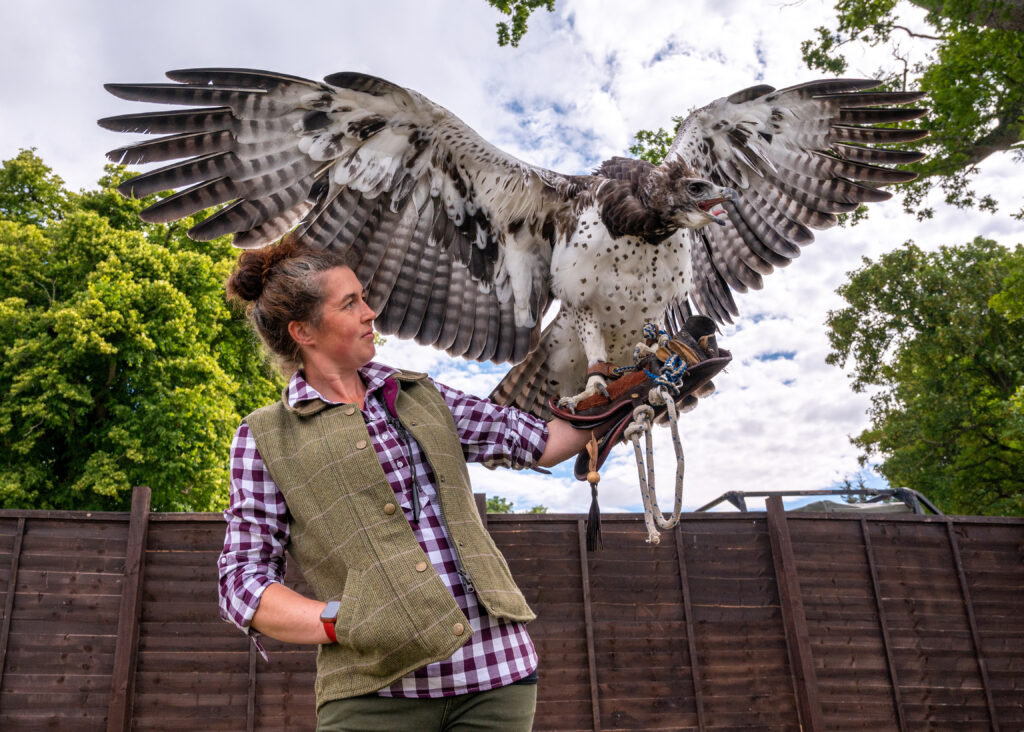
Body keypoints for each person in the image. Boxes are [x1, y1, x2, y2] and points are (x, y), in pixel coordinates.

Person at [217, 235, 598, 731]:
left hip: (496, 676)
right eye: (350, 303)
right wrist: (339, 620)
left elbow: (537, 440)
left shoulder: (419, 394)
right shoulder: (265, 436)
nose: (370, 312)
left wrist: (622, 397)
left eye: (364, 297)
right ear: (304, 331)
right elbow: (242, 582)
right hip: (374, 694)